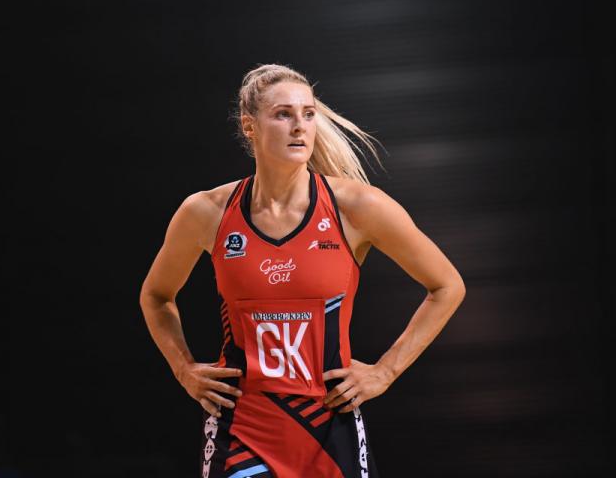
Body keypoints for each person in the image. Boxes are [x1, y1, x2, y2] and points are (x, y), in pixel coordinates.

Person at [139, 63, 466, 478]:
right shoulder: (207, 212)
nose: (300, 126)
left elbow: (447, 285)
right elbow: (156, 296)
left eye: (308, 114)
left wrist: (386, 370)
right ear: (249, 126)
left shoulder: (357, 207)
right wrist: (183, 369)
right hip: (242, 429)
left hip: (330, 429)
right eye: (283, 114)